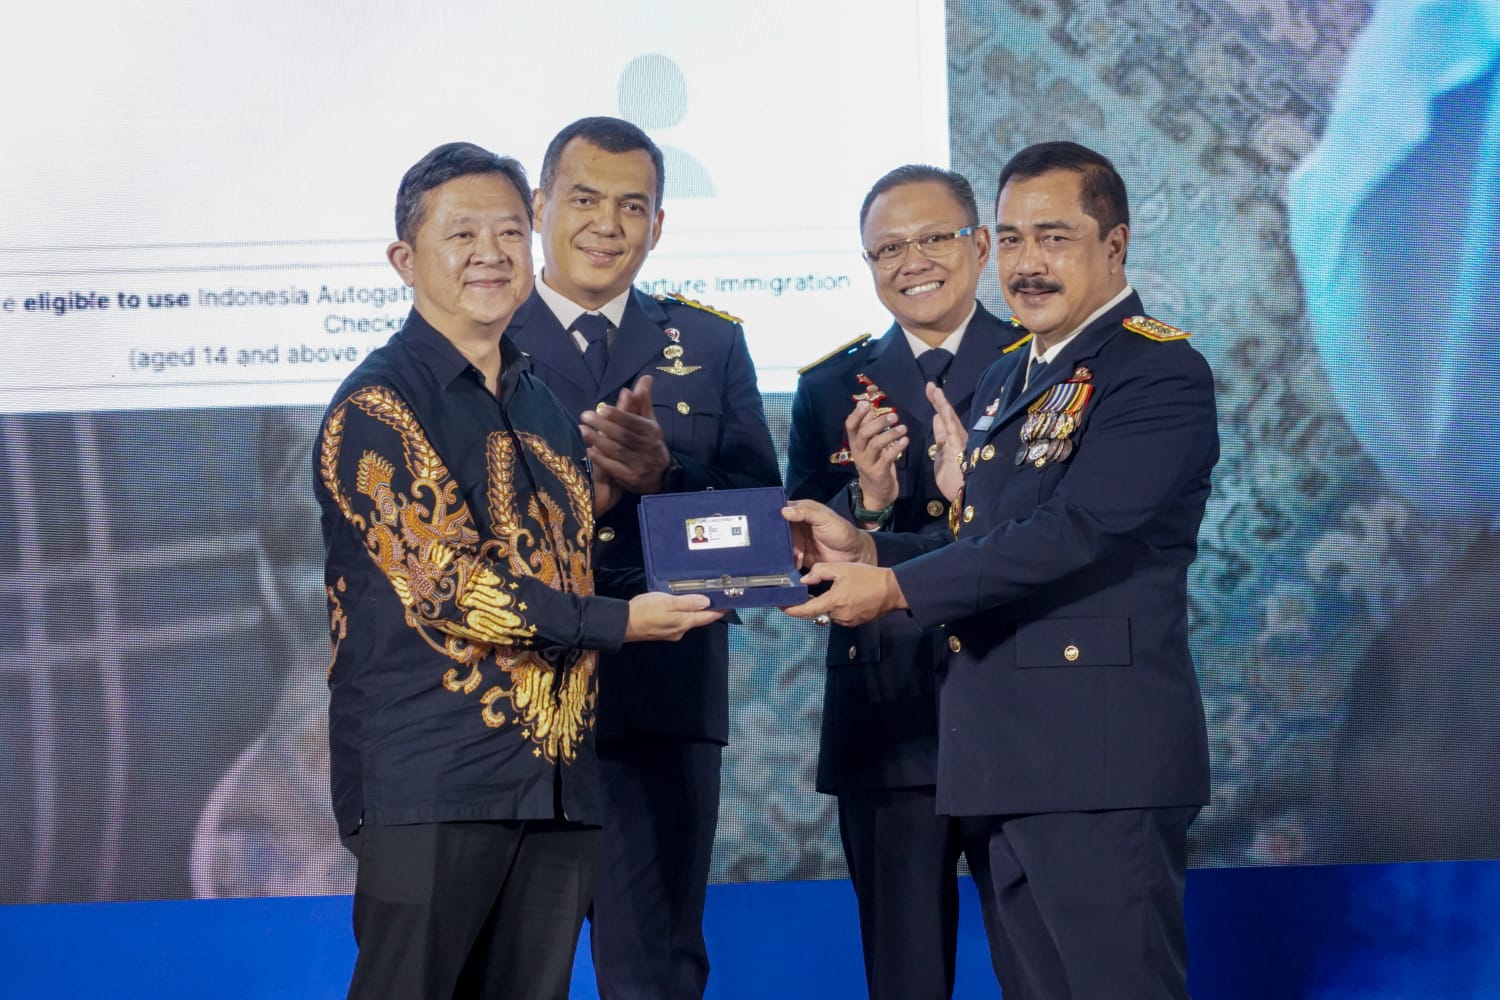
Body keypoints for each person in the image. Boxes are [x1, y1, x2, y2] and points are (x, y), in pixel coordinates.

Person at [783, 141, 1219, 1000]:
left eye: (1054, 237)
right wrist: (868, 549)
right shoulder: (1011, 377)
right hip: (1001, 758)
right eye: (1014, 238)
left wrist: (894, 587)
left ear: (1115, 244)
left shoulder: (1157, 369)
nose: (1027, 262)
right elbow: (987, 536)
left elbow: (1073, 531)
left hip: (1094, 761)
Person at [313, 141, 722, 1000]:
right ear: (404, 259)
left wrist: (695, 587)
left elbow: (564, 579)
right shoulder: (377, 406)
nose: (491, 253)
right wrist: (624, 622)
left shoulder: (540, 401)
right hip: (434, 783)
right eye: (462, 234)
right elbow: (454, 587)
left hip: (556, 787)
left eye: (508, 231)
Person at [503, 117, 780, 999]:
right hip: (509, 699)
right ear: (540, 207)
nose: (607, 224)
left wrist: (667, 478)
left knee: (654, 972)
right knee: (500, 971)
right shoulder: (481, 334)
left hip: (660, 701)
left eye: (632, 206)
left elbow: (761, 541)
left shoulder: (709, 344)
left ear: (658, 225)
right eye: (584, 199)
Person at [784, 164, 1023, 999]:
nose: (911, 261)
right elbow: (803, 561)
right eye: (888, 248)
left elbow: (1051, 537)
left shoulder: (1038, 365)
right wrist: (870, 504)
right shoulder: (827, 387)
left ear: (980, 246)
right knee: (903, 976)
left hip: (1016, 703)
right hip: (886, 718)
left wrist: (965, 500)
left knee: (1047, 964)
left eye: (933, 239)